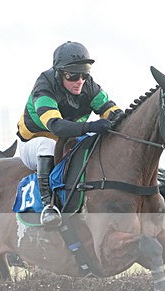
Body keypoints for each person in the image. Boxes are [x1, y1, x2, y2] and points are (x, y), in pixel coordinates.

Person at [17, 41, 122, 228]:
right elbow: (56, 126)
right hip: (34, 141)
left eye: (84, 74)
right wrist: (91, 126)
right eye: (73, 75)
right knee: (47, 145)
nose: (79, 81)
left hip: (68, 140)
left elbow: (109, 109)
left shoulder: (88, 85)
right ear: (59, 73)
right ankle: (48, 205)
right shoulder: (44, 86)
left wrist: (121, 119)